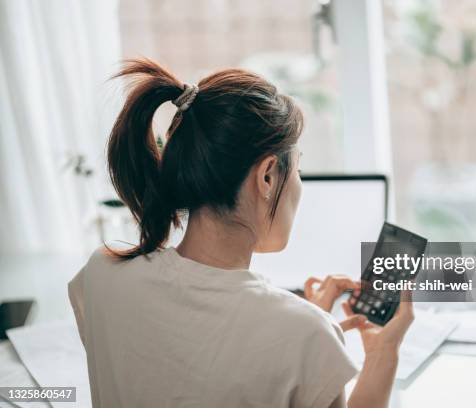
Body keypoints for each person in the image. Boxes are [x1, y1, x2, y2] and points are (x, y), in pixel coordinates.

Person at [68, 58, 414, 408]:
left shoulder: (101, 275)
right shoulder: (306, 336)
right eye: (297, 167)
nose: (299, 184)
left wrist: (300, 327)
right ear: (266, 176)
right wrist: (383, 352)